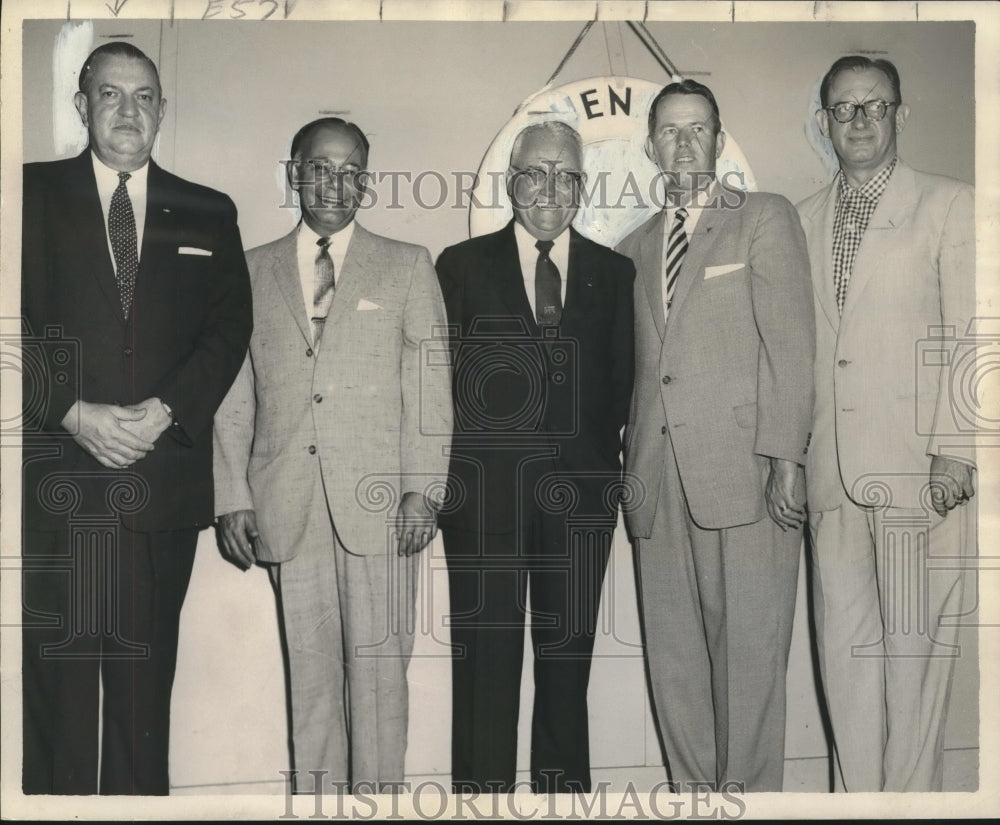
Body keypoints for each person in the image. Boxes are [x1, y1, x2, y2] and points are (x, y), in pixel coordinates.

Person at [20, 42, 252, 795]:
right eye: (111, 95)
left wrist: (165, 411)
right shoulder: (26, 197)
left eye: (144, 96)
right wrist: (70, 409)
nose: (128, 110)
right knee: (58, 699)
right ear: (81, 105)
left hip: (160, 489)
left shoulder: (209, 211)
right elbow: (7, 320)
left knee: (142, 696)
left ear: (162, 110)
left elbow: (228, 329)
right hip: (62, 486)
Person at [212, 117, 452, 793]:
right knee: (312, 687)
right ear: (294, 173)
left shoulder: (406, 264)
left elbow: (431, 386)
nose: (334, 182)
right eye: (320, 167)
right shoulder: (251, 270)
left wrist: (423, 489)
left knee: (378, 687)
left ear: (366, 182)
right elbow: (233, 393)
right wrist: (232, 492)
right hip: (287, 504)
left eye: (350, 170)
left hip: (381, 508)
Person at [617, 80, 814, 792]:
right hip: (657, 480)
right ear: (650, 146)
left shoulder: (762, 217)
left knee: (752, 662)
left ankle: (753, 804)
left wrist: (787, 458)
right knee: (675, 663)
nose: (683, 142)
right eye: (669, 131)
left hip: (749, 476)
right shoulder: (632, 246)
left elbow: (792, 346)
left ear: (719, 139)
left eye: (697, 129)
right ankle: (694, 799)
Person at [434, 120, 635, 794]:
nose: (552, 186)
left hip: (581, 502)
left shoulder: (615, 273)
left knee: (566, 668)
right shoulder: (459, 266)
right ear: (512, 181)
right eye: (537, 171)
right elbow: (440, 388)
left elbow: (621, 385)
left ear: (582, 187)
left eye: (568, 174)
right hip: (485, 502)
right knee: (485, 673)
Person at [797, 56, 976, 792]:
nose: (860, 120)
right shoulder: (803, 218)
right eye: (844, 109)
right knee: (846, 661)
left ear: (900, 114)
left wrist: (957, 449)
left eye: (875, 106)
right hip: (832, 478)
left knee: (914, 666)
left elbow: (976, 331)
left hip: (918, 476)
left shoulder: (951, 204)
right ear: (824, 123)